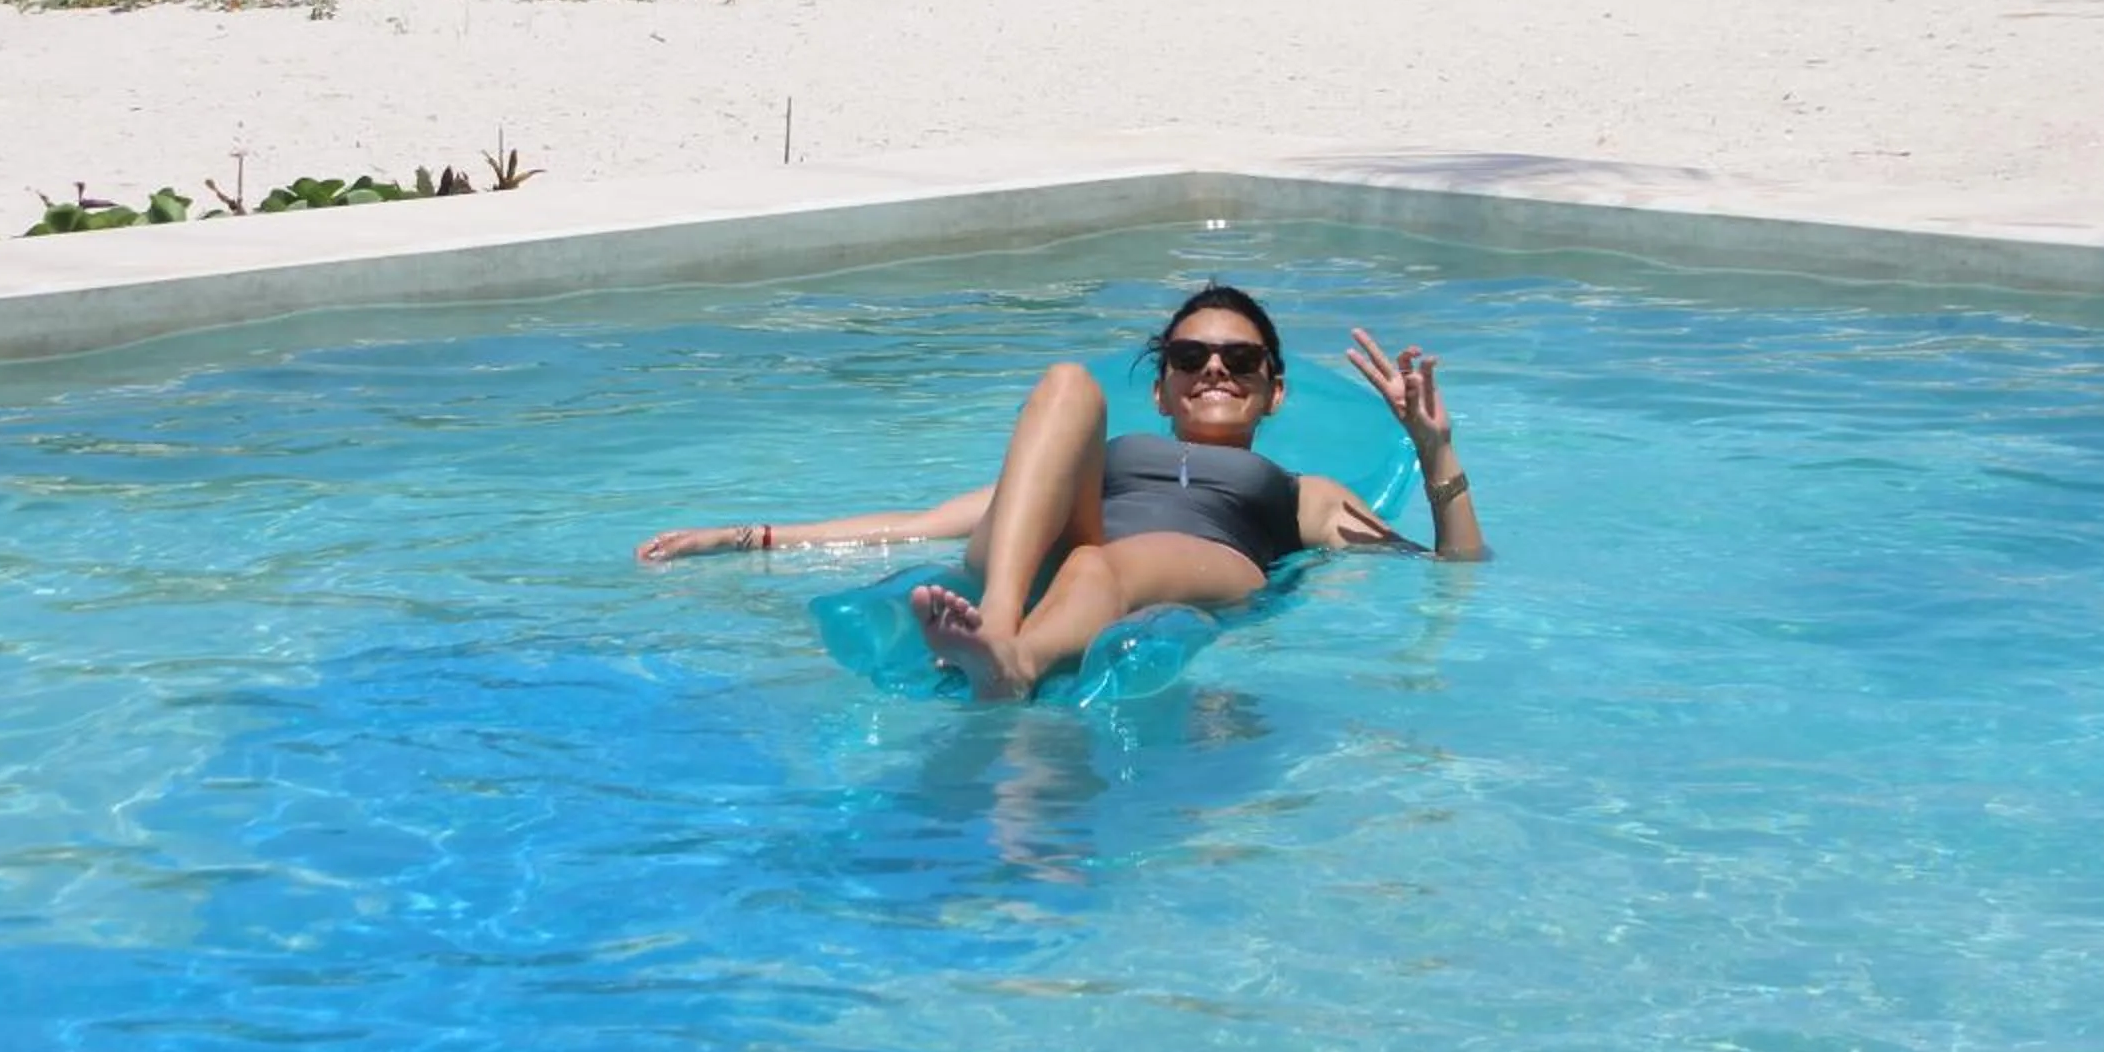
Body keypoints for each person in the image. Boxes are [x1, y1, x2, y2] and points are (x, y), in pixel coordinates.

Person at [634, 284, 1487, 700]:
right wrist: (746, 537)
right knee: (1066, 384)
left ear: (1274, 392)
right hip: (1075, 548)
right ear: (1161, 389)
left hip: (1207, 556)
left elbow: (1453, 571)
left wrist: (1435, 449)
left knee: (1100, 569)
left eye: (1241, 361)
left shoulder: (1304, 490)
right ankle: (1001, 627)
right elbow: (922, 525)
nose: (1214, 369)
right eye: (1188, 358)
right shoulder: (1105, 451)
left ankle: (1014, 660)